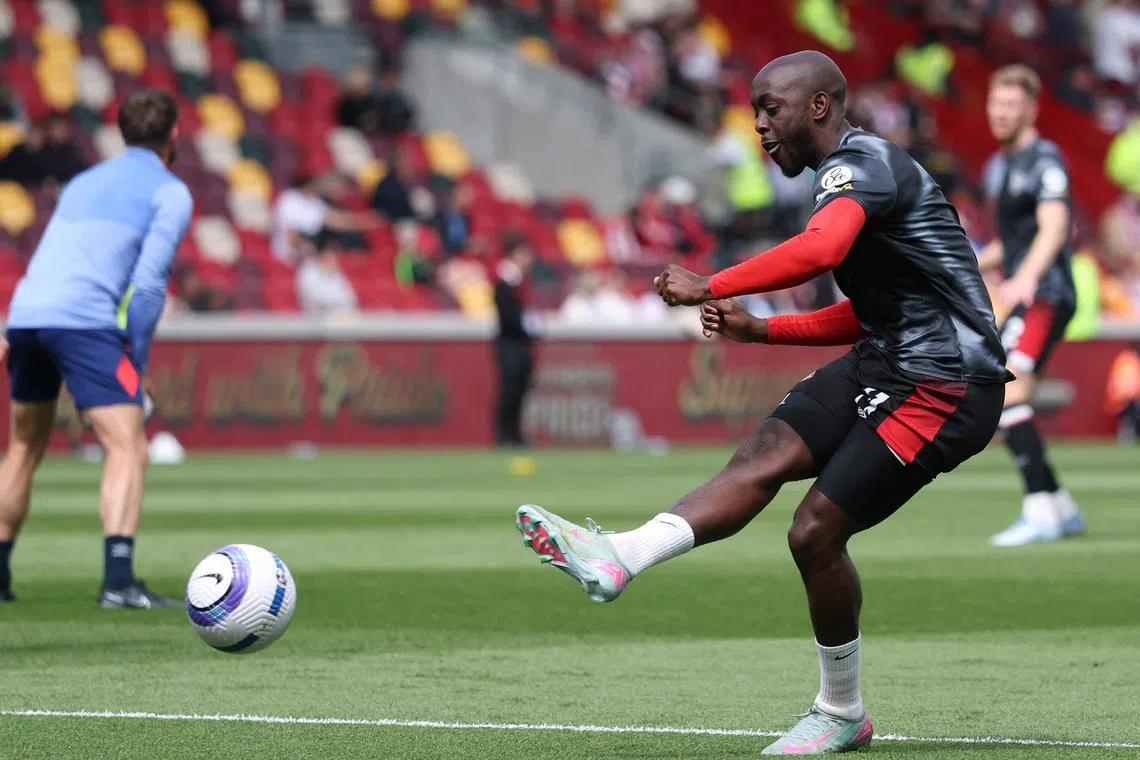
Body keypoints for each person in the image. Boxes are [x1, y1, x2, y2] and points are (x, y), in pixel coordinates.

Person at [514, 50, 1008, 755]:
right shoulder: (845, 179)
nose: (759, 126)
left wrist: (714, 285)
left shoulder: (859, 166)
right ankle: (618, 555)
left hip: (948, 385)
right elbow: (877, 313)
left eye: (770, 108)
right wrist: (763, 329)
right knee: (766, 451)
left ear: (818, 106)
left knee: (813, 532)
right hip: (892, 357)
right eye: (754, 112)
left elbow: (820, 250)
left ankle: (842, 712)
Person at [0, 89, 192, 608]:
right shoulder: (170, 192)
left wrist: (12, 326)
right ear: (174, 133)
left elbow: (52, 254)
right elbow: (150, 285)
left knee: (23, 447)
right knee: (128, 446)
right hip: (84, 321)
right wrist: (139, 360)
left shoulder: (83, 183)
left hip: (27, 314)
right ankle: (119, 581)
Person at [978, 64, 1086, 547]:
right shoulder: (1009, 165)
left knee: (1008, 390)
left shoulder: (1045, 159)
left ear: (1031, 110)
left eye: (1009, 106)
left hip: (1046, 294)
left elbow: (1054, 226)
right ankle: (1059, 505)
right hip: (1031, 292)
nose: (999, 114)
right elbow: (1016, 241)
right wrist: (974, 263)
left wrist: (1025, 276)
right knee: (1001, 390)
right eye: (994, 105)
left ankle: (1042, 511)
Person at [493, 238, 535, 447]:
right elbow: (508, 314)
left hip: (520, 343)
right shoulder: (505, 283)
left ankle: (515, 434)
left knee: (520, 390)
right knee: (509, 390)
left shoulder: (520, 282)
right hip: (510, 342)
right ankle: (504, 435)